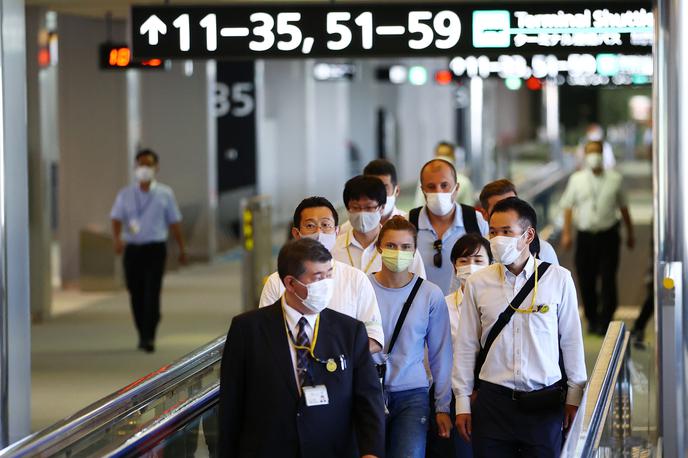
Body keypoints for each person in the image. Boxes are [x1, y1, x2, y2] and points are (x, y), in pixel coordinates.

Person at [218, 238, 385, 458]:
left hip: (332, 449)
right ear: (290, 283)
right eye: (318, 277)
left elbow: (368, 397)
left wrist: (371, 452)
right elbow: (232, 404)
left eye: (329, 274)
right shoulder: (248, 330)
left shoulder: (349, 330)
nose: (327, 284)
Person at [453, 197, 587, 458]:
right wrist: (462, 402)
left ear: (528, 235)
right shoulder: (478, 283)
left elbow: (571, 340)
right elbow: (467, 344)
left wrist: (574, 397)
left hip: (543, 403)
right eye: (493, 232)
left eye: (506, 232)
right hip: (493, 402)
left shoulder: (558, 279)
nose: (497, 239)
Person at [369, 217, 453, 458]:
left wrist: (442, 406)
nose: (399, 252)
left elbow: (441, 353)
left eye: (406, 247)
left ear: (414, 250)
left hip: (412, 394)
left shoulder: (430, 294)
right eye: (392, 246)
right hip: (369, 391)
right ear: (379, 248)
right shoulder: (363, 288)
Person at [260, 196, 384, 352]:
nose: (319, 232)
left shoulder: (356, 279)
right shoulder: (277, 281)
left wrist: (339, 359)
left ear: (337, 231)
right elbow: (264, 334)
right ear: (296, 233)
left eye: (326, 225)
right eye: (310, 225)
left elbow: (374, 337)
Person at [110, 149, 186, 353]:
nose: (144, 169)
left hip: (155, 249)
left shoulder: (165, 193)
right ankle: (143, 328)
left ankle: (148, 336)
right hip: (133, 250)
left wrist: (181, 248)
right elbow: (116, 218)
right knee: (136, 292)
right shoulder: (125, 194)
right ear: (135, 167)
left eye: (148, 164)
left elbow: (175, 222)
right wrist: (117, 239)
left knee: (152, 291)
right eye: (141, 164)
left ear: (156, 168)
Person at [560, 141, 635, 335]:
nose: (594, 156)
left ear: (603, 154)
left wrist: (630, 233)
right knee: (586, 278)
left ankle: (606, 318)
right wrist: (567, 233)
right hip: (585, 236)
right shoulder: (577, 179)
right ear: (585, 155)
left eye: (597, 152)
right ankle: (592, 318)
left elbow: (624, 208)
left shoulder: (615, 179)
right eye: (591, 152)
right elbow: (568, 206)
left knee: (608, 278)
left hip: (608, 236)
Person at [410, 159, 488, 295]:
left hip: (465, 309)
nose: (438, 192)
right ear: (422, 191)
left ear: (456, 188)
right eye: (431, 186)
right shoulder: (410, 223)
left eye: (444, 185)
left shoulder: (475, 221)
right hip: (420, 310)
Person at [334, 175, 426, 277]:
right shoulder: (334, 248)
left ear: (382, 208)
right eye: (355, 207)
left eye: (369, 207)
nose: (362, 213)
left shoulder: (402, 246)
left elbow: (419, 285)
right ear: (347, 209)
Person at [478, 179, 559, 265]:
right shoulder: (477, 252)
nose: (508, 214)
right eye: (499, 208)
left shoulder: (542, 250)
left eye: (514, 204)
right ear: (485, 214)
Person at [340, 159, 407, 234]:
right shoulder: (346, 230)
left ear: (397, 190)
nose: (379, 194)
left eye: (384, 187)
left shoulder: (408, 225)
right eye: (372, 189)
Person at [414, 142, 475, 207]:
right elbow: (469, 209)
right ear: (454, 156)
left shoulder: (425, 178)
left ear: (435, 154)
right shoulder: (464, 181)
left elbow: (419, 205)